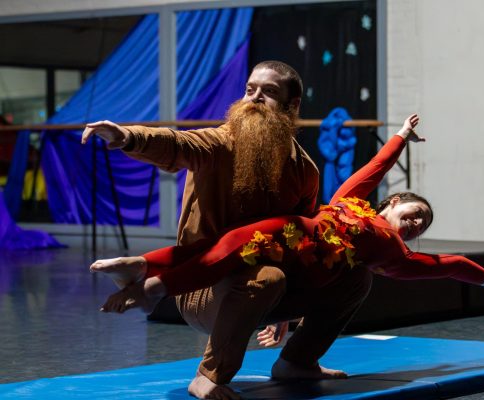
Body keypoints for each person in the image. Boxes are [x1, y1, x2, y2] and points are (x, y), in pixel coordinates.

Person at [92, 114, 484, 386]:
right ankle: (144, 268)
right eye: (412, 213)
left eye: (421, 225)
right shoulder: (352, 201)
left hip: (300, 272)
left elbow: (450, 265)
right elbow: (373, 169)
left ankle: (152, 289)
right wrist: (400, 137)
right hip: (294, 233)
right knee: (226, 245)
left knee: (245, 254)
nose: (414, 224)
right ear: (392, 203)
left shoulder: (396, 258)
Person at [82, 61, 375, 400]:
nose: (254, 98)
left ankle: (298, 361)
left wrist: (286, 306)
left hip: (268, 287)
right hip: (202, 287)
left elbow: (304, 242)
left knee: (355, 276)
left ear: (292, 106)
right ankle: (209, 375)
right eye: (250, 89)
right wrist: (127, 137)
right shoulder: (220, 144)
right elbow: (179, 145)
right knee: (266, 277)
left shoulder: (304, 169)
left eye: (269, 92)